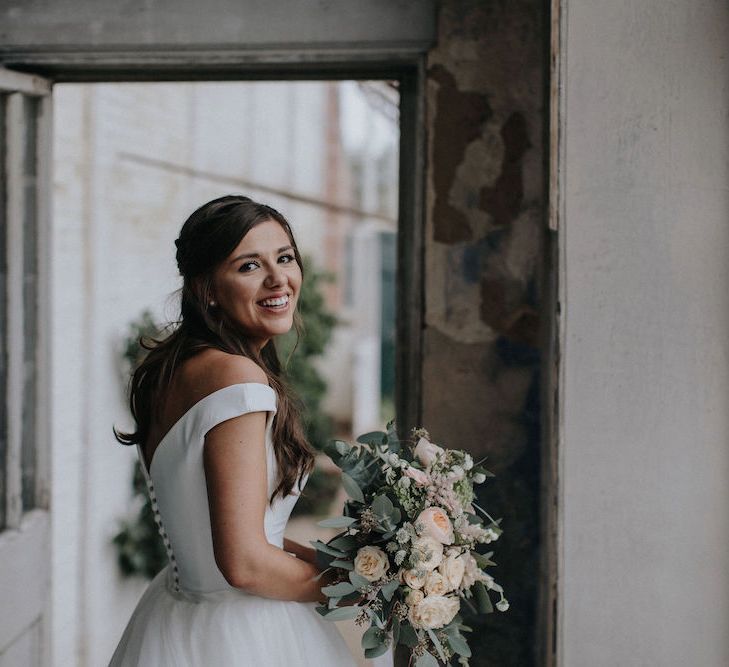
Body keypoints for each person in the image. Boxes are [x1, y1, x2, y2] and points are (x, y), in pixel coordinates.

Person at [109, 195, 357, 666]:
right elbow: (243, 562)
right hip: (245, 634)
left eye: (285, 258)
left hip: (179, 617)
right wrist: (356, 590)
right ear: (206, 289)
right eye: (249, 266)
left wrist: (336, 564)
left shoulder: (177, 369)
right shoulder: (237, 380)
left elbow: (234, 522)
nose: (278, 279)